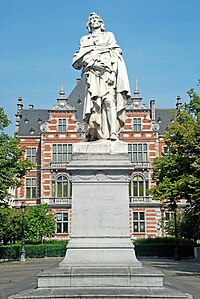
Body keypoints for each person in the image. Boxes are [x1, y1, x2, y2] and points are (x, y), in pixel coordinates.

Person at [72, 12, 130, 141]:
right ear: (88, 24)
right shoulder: (85, 39)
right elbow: (78, 59)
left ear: (101, 22)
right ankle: (94, 133)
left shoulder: (109, 36)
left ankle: (113, 133)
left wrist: (113, 73)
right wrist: (89, 61)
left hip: (107, 72)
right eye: (91, 19)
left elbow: (116, 55)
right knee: (94, 105)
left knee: (109, 101)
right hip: (92, 74)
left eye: (96, 18)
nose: (94, 20)